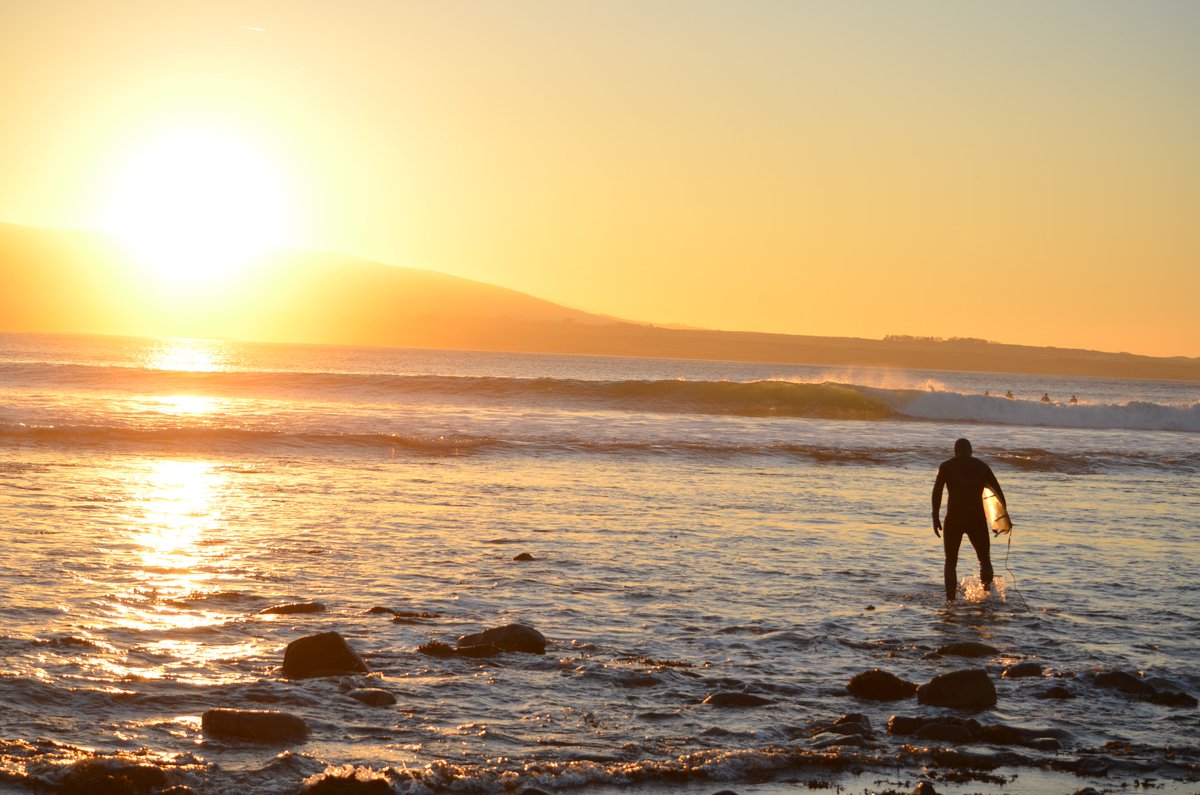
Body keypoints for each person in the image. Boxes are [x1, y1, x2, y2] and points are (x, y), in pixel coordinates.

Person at [932, 438, 1008, 602]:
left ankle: (950, 601)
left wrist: (935, 516)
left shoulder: (946, 466)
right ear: (971, 451)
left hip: (954, 519)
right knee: (984, 559)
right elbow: (999, 496)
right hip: (976, 520)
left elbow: (937, 492)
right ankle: (987, 596)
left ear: (955, 451)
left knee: (950, 562)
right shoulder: (982, 467)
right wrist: (999, 522)